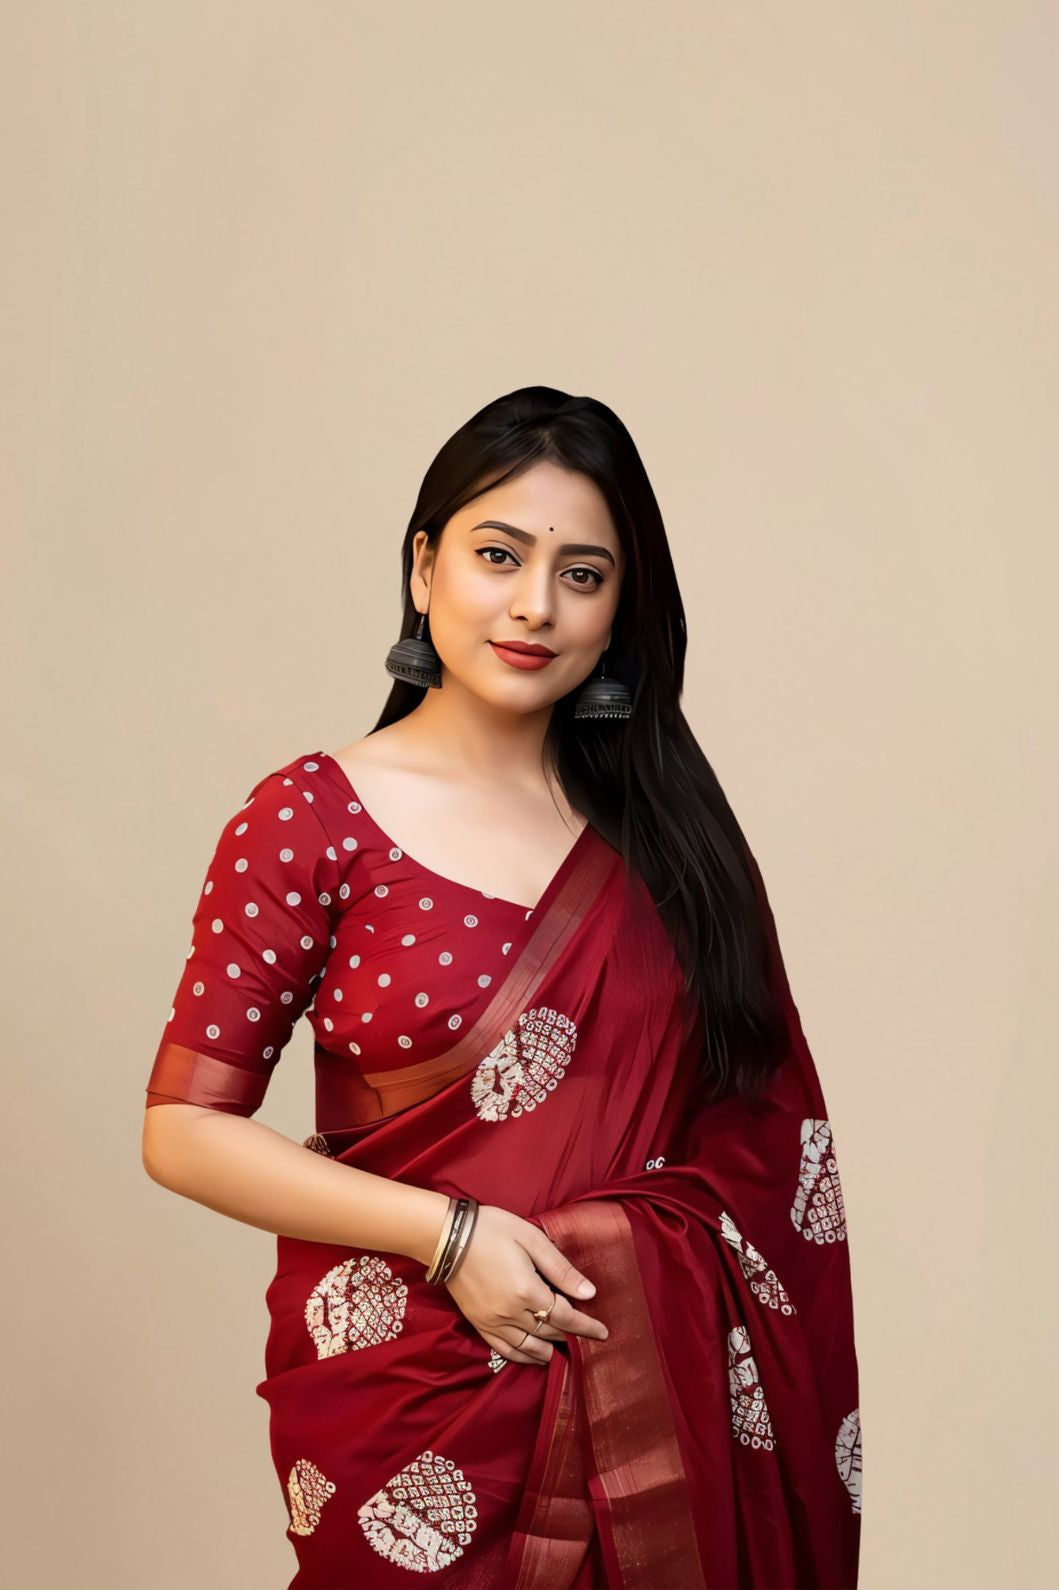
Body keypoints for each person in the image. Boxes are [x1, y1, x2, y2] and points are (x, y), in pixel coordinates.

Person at [142, 386, 862, 1588]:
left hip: (653, 1394)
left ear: (622, 609)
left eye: (584, 573)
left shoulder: (670, 845)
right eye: (497, 555)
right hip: (407, 1406)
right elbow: (184, 1129)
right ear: (424, 569)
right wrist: (450, 1234)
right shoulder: (312, 819)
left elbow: (765, 1154)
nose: (536, 604)